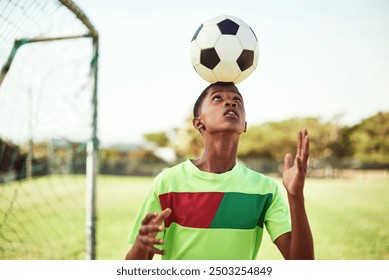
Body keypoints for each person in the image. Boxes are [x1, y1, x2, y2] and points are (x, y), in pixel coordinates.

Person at [125, 82, 314, 260]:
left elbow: (300, 264)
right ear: (199, 122)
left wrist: (295, 196)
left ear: (245, 125)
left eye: (237, 99)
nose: (230, 102)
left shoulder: (265, 189)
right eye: (217, 98)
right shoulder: (167, 183)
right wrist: (141, 246)